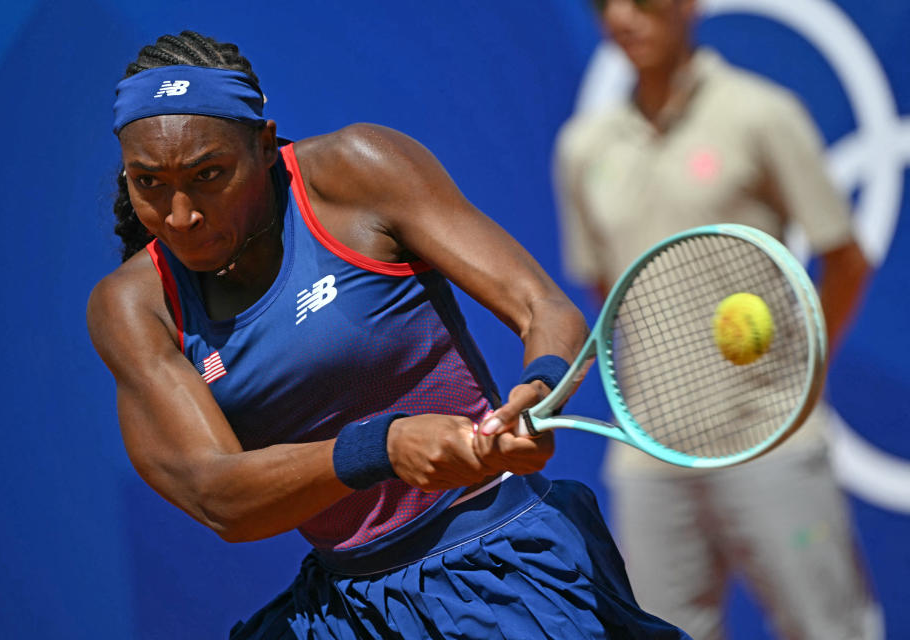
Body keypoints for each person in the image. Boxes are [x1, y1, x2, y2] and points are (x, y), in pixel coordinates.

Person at [87, 31, 692, 639]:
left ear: (266, 146)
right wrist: (382, 448)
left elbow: (542, 307)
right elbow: (218, 493)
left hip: (499, 566)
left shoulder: (357, 170)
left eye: (210, 174)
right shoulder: (133, 307)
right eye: (149, 184)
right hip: (345, 610)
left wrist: (543, 386)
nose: (182, 214)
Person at [553, 1, 881, 639]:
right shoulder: (580, 147)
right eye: (605, 3)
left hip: (771, 441)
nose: (623, 16)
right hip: (647, 459)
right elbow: (606, 292)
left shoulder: (761, 113)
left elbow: (844, 258)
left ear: (686, 6)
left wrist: (803, 380)